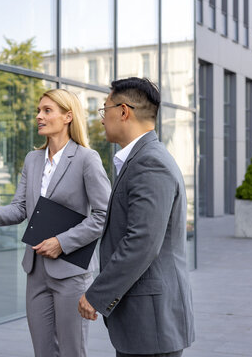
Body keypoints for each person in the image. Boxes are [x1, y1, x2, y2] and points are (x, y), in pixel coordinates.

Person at [0, 89, 111, 357]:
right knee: (43, 351)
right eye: (38, 110)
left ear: (68, 116)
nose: (38, 116)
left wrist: (62, 242)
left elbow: (104, 216)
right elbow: (21, 208)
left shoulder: (86, 159)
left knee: (72, 351)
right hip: (36, 270)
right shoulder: (33, 159)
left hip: (70, 272)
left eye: (47, 110)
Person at [78, 77, 195, 357]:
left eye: (104, 109)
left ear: (123, 111)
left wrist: (96, 294)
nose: (102, 119)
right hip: (145, 319)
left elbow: (142, 242)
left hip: (151, 322)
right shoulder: (139, 159)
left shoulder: (149, 163)